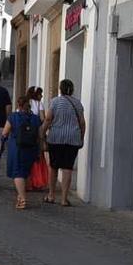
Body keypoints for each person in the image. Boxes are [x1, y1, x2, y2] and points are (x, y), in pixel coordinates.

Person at [43, 78, 86, 207]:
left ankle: (51, 195)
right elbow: (82, 123)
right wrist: (81, 138)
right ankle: (64, 198)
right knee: (67, 167)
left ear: (60, 89)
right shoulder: (77, 103)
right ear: (72, 90)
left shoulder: (55, 102)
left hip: (56, 138)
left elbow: (48, 118)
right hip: (72, 139)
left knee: (54, 166)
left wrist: (42, 132)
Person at [1, 93, 42, 210]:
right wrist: (39, 150)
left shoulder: (13, 117)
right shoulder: (35, 118)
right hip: (31, 149)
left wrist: (2, 144)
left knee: (18, 173)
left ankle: (23, 198)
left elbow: (5, 132)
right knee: (25, 172)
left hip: (17, 149)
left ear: (18, 105)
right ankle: (20, 196)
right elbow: (40, 136)